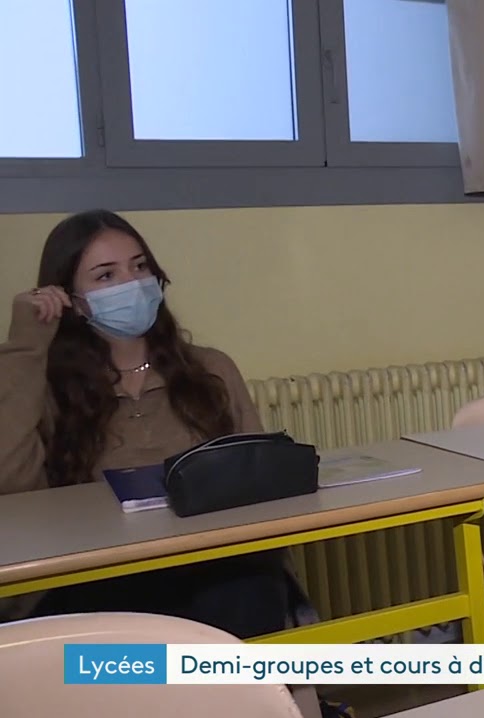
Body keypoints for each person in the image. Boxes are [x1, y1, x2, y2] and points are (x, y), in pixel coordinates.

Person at [0, 210, 306, 639]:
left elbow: (257, 482)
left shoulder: (210, 371)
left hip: (211, 567)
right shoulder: (45, 387)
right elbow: (10, 489)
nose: (131, 284)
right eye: (106, 276)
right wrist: (26, 346)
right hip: (100, 578)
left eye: (140, 266)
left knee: (247, 591)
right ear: (70, 297)